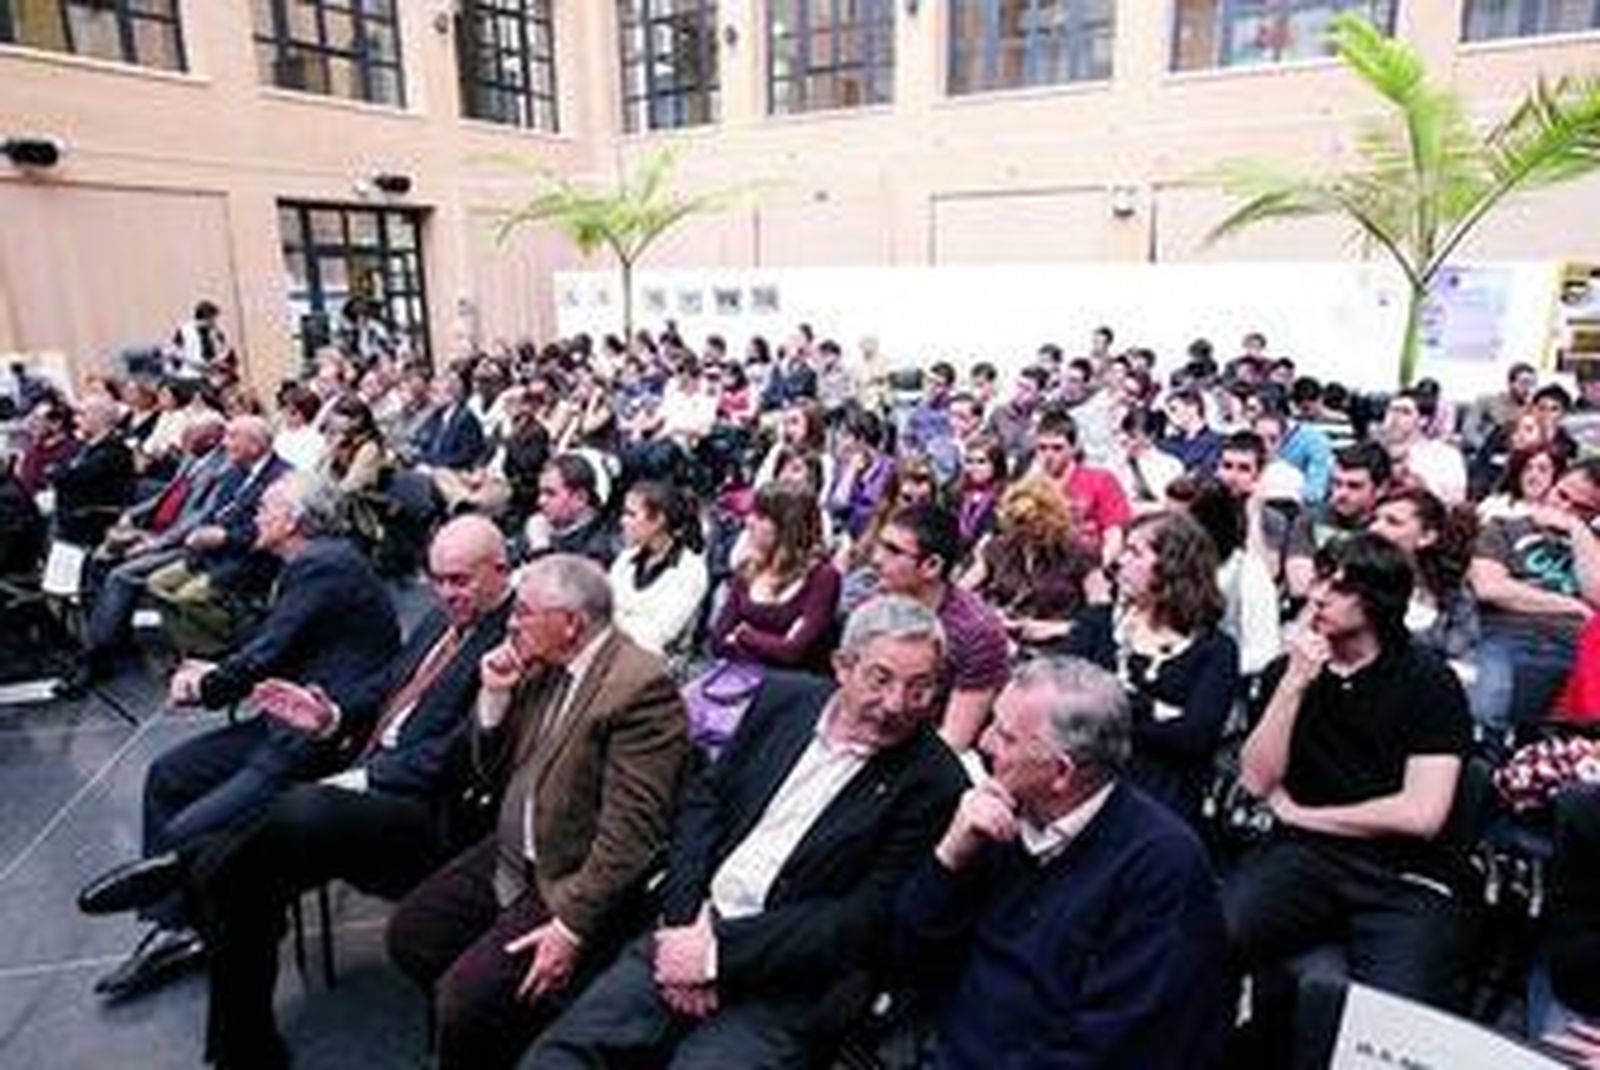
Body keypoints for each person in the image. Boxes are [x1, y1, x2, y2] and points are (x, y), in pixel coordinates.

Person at [102, 517, 512, 1063]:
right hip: (366, 783)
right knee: (236, 879)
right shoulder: (441, 619)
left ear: (501, 569)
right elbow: (388, 683)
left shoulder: (514, 638)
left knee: (303, 806)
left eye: (461, 580)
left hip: (431, 817)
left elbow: (458, 757)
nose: (446, 593)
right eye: (437, 580)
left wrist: (360, 777)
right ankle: (242, 1047)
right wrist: (331, 714)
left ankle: (187, 861)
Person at [526, 597, 966, 1069]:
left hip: (787, 982)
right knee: (563, 1053)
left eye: (920, 689)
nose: (897, 704)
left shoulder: (934, 781)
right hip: (689, 927)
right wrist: (681, 923)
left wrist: (717, 956)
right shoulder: (784, 700)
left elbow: (863, 917)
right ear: (843, 666)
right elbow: (705, 804)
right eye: (880, 680)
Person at [77, 473, 401, 998]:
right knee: (168, 774)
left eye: (266, 508)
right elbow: (276, 640)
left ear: (293, 521)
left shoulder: (321, 566)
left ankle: (200, 923)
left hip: (318, 738)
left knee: (188, 830)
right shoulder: (318, 562)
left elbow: (268, 654)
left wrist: (203, 686)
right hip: (287, 717)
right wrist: (217, 667)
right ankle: (182, 925)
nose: (256, 515)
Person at [385, 554, 689, 1070]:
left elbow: (631, 835)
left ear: (570, 623)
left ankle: (480, 1034)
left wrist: (572, 926)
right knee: (412, 935)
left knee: (464, 999)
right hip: (511, 847)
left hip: (566, 869)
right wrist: (495, 699)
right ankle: (495, 1034)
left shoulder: (640, 688)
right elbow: (489, 773)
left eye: (524, 611)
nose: (511, 622)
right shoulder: (539, 660)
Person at [895, 656, 1230, 1070]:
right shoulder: (994, 814)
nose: (984, 742)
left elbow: (1118, 1044)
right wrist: (949, 857)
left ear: (1060, 773)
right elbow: (906, 958)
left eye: (1005, 736)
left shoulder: (1161, 864)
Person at [1227, 534, 1475, 1054]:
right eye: (1319, 579)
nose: (1318, 596)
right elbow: (1255, 780)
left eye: (1339, 588)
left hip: (1405, 874)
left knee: (1394, 1024)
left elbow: (1421, 814)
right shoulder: (1289, 672)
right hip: (1306, 860)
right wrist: (1294, 684)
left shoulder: (1428, 681)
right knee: (1206, 937)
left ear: (1378, 602)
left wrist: (1303, 816)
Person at [1073, 512, 1239, 828]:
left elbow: (1193, 737)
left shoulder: (1217, 650)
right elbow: (1066, 705)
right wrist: (1154, 709)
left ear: (1172, 566)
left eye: (1135, 552)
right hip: (1083, 779)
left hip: (1163, 796)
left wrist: (1111, 704)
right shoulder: (1096, 623)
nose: (1119, 561)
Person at [1468, 458, 1600, 733]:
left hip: (1575, 646)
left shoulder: (1591, 543)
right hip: (1508, 636)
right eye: (1562, 495)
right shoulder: (1504, 527)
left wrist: (1578, 531)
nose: (1564, 508)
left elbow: (1597, 595)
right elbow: (1489, 587)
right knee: (1488, 705)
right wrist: (1572, 606)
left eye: (1582, 508)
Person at [872, 502, 1009, 750]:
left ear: (932, 566)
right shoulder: (875, 603)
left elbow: (954, 740)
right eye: (880, 545)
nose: (876, 559)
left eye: (893, 551)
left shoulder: (977, 633)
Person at [710, 484, 841, 674]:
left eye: (761, 517)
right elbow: (718, 640)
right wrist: (770, 643)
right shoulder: (747, 568)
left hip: (791, 688)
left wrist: (745, 635)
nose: (749, 522)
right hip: (740, 677)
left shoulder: (823, 578)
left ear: (787, 529)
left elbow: (792, 652)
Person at [961, 472, 1096, 654]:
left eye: (1035, 529)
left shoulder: (1079, 554)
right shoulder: (998, 549)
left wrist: (1058, 628)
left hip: (1060, 650)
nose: (1025, 536)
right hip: (1005, 647)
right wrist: (989, 616)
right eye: (1018, 527)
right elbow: (959, 594)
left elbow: (1102, 617)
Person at [1370, 487, 1480, 672]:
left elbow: (1463, 659)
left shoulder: (1453, 592)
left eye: (1393, 522)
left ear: (1426, 537)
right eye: (1375, 519)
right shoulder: (1348, 583)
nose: (1374, 528)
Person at [609, 481, 708, 658]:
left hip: (657, 666)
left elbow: (657, 637)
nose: (622, 521)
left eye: (631, 515)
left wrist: (615, 621)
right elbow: (602, 609)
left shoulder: (691, 570)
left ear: (659, 520)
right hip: (614, 653)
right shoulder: (626, 558)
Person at [1283, 441, 1391, 600]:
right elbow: (1299, 586)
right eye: (1337, 483)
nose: (1341, 494)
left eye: (1354, 486)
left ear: (1381, 488)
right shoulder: (1311, 519)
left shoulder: (1390, 526)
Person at [1031, 407, 1132, 565]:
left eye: (1057, 448)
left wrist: (1099, 568)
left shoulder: (1101, 480)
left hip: (1087, 564)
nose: (1048, 456)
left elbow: (1114, 534)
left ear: (1074, 447)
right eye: (1042, 448)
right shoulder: (1031, 487)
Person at [51, 395, 135, 548]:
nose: (76, 420)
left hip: (91, 521)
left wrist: (60, 473)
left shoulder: (114, 452)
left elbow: (69, 478)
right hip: (71, 513)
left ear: (98, 418)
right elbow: (59, 472)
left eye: (82, 414)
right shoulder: (87, 446)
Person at [524, 452, 615, 565]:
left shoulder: (602, 546)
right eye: (541, 493)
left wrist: (541, 548)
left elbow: (559, 581)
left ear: (580, 498)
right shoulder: (537, 528)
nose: (541, 501)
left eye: (550, 494)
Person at [1383, 388, 1467, 505]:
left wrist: (1421, 484)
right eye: (1392, 410)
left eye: (1405, 412)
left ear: (1424, 420)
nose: (1395, 417)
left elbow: (1456, 499)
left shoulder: (1444, 456)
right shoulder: (1372, 451)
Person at [412, 369, 486, 472]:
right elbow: (422, 443)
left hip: (454, 474)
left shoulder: (466, 419)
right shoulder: (434, 417)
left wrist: (437, 465)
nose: (430, 397)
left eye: (435, 392)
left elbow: (466, 455)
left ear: (452, 395)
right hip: (430, 470)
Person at [1160, 387, 1223, 474]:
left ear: (1193, 407)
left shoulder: (1216, 441)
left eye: (1173, 409)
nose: (1170, 416)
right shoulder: (1168, 443)